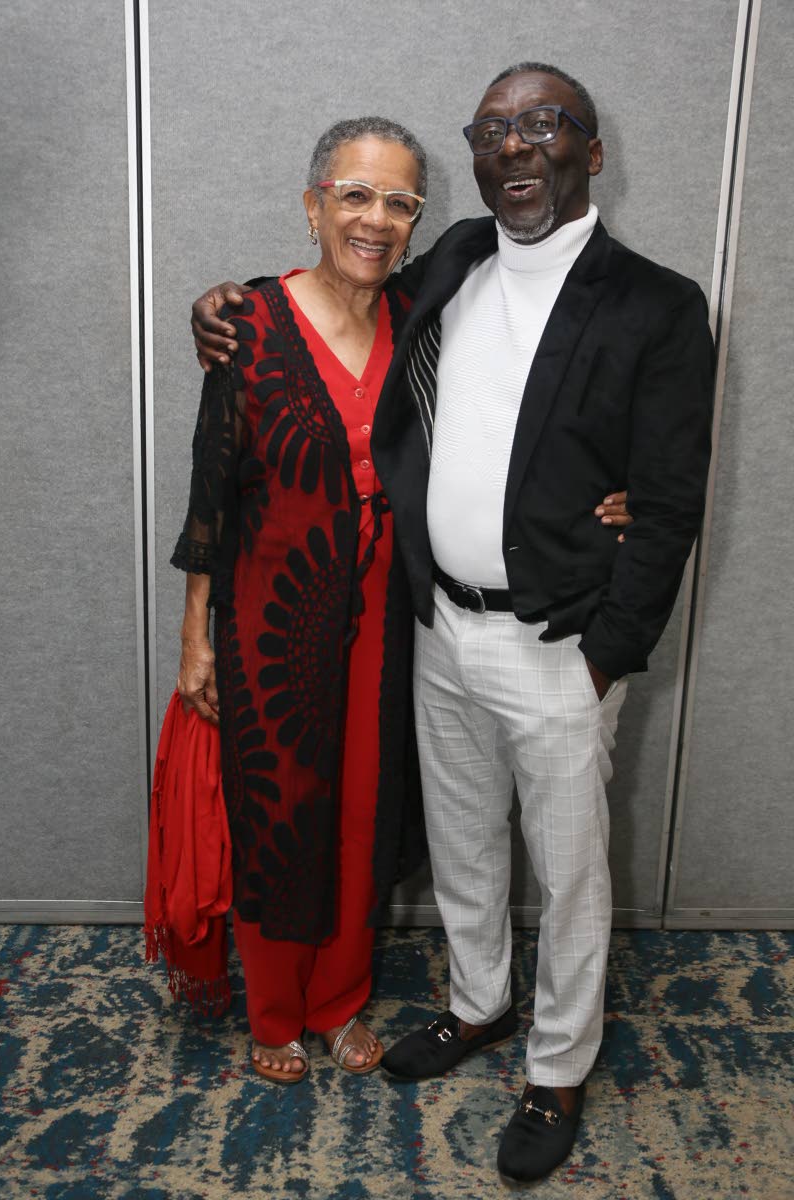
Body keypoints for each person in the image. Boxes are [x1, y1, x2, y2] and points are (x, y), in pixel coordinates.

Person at [189, 64, 702, 1181]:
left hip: (560, 644)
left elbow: (667, 508)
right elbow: (334, 287)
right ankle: (477, 1003)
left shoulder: (657, 305)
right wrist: (223, 301)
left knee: (568, 874)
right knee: (464, 844)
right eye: (492, 130)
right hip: (434, 630)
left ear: (591, 152)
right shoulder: (455, 259)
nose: (515, 146)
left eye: (543, 125)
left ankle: (557, 1066)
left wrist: (606, 656)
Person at [174, 116, 430, 1083]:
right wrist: (196, 633)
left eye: (399, 202)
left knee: (364, 805)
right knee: (282, 808)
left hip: (386, 618)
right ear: (313, 205)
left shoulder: (421, 317)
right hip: (271, 616)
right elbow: (212, 490)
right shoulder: (247, 324)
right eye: (354, 194)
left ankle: (339, 999)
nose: (375, 219)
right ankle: (276, 1009)